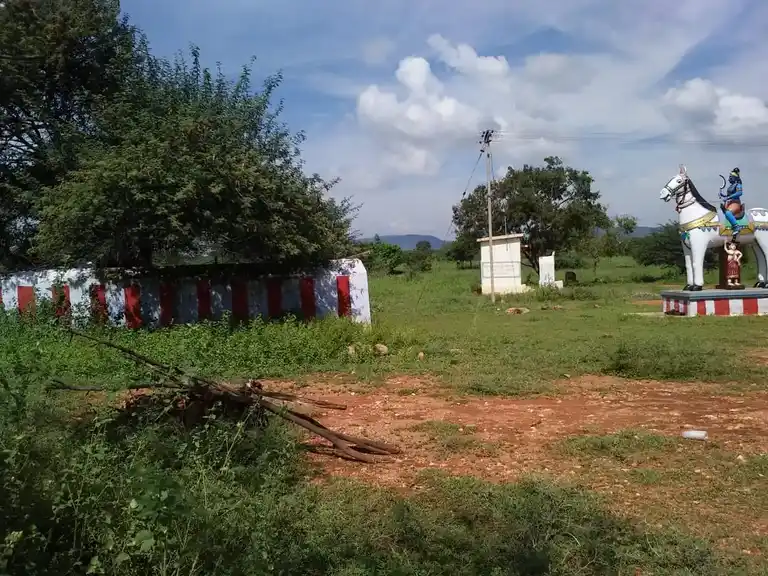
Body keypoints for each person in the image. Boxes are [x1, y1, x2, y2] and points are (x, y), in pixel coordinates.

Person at [720, 167, 744, 238]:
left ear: (735, 177)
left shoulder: (738, 185)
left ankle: (736, 227)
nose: (729, 179)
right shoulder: (730, 186)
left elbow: (740, 193)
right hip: (729, 203)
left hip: (735, 203)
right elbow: (727, 195)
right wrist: (722, 195)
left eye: (731, 177)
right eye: (729, 177)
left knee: (728, 212)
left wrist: (728, 197)